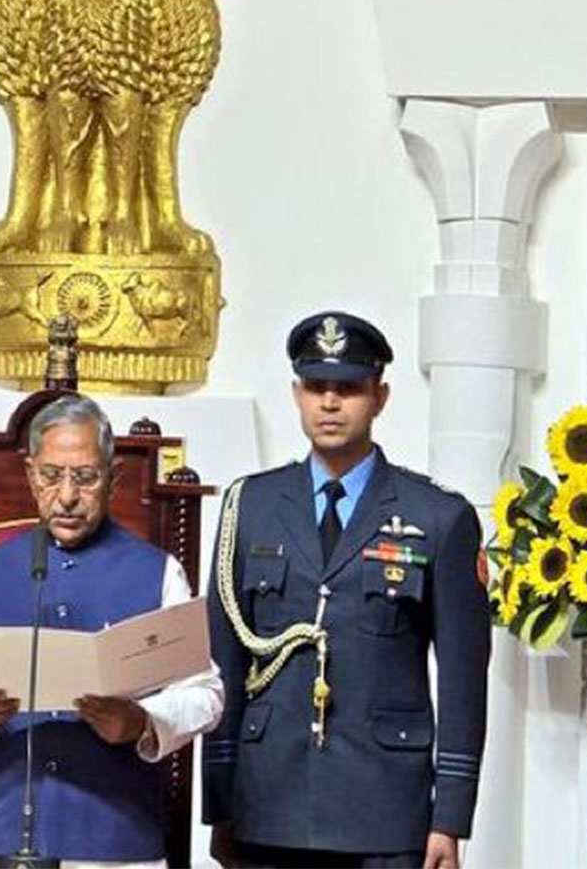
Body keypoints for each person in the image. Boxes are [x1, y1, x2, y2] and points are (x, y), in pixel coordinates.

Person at [202, 313, 490, 869]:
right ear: (296, 394)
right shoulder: (251, 506)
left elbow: (462, 677)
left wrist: (450, 817)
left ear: (380, 397)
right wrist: (219, 800)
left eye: (349, 388)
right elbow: (225, 662)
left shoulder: (438, 516)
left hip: (384, 808)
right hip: (268, 803)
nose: (330, 403)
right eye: (316, 387)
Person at [0, 393, 224, 868]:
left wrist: (143, 722)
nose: (66, 496)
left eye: (84, 477)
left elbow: (206, 694)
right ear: (30, 475)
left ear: (113, 477)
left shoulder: (158, 572)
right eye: (51, 475)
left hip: (116, 847)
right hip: (1, 841)